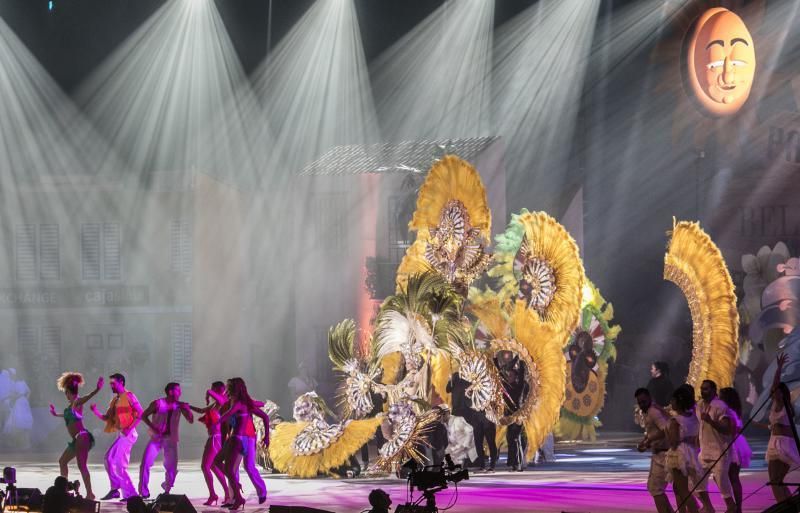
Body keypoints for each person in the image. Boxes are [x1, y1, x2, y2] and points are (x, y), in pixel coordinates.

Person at [49, 372, 104, 500]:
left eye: (66, 393)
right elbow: (68, 415)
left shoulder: (78, 401)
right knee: (62, 461)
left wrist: (97, 389)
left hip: (82, 437)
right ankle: (63, 490)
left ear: (69, 392)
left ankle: (90, 493)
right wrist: (55, 414)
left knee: (82, 465)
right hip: (76, 440)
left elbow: (88, 396)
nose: (66, 396)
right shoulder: (70, 406)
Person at [217, 377, 270, 510]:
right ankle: (234, 496)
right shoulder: (233, 402)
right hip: (238, 437)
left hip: (246, 437)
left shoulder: (241, 402)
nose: (226, 389)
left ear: (233, 388)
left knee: (248, 467)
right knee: (233, 468)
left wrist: (267, 436)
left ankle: (260, 491)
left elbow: (262, 410)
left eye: (228, 387)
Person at [90, 373, 143, 501]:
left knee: (109, 458)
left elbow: (140, 412)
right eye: (110, 383)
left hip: (128, 434)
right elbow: (106, 418)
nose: (111, 385)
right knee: (120, 466)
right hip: (123, 433)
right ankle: (131, 494)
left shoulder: (129, 396)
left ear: (121, 383)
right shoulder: (115, 400)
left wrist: (129, 428)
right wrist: (95, 411)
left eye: (113, 383)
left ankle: (115, 488)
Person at [138, 382, 194, 498]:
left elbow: (191, 420)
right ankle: (143, 492)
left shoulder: (179, 405)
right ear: (170, 392)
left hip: (170, 439)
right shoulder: (158, 403)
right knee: (145, 463)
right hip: (156, 438)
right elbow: (143, 416)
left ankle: (167, 490)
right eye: (178, 390)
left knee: (172, 467)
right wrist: (153, 427)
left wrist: (187, 410)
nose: (180, 392)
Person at [697, 379, 736, 513]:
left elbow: (726, 429)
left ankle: (731, 507)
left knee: (722, 482)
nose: (703, 391)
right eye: (702, 388)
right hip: (704, 451)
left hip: (720, 451)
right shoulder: (699, 405)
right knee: (696, 482)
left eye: (706, 389)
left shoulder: (720, 406)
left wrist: (710, 421)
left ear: (714, 391)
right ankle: (708, 507)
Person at [766, 353, 800, 504]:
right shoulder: (775, 404)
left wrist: (779, 369)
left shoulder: (783, 405)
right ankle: (788, 506)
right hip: (775, 442)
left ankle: (784, 508)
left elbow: (775, 385)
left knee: (775, 481)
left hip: (783, 445)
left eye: (777, 391)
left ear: (782, 393)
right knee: (777, 481)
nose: (774, 393)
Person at [635, 387, 674, 513]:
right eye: (639, 403)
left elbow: (665, 430)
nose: (642, 405)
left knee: (656, 488)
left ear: (650, 399)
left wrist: (649, 440)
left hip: (664, 454)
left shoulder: (653, 412)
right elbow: (653, 431)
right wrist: (645, 442)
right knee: (654, 488)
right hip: (658, 454)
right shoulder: (648, 411)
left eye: (644, 402)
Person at [190, 381, 229, 505]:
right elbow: (201, 410)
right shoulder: (215, 404)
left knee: (205, 466)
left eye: (213, 390)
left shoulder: (223, 401)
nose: (211, 392)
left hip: (216, 438)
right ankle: (226, 493)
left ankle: (214, 494)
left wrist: (208, 393)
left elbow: (214, 395)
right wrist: (187, 406)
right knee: (212, 466)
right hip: (213, 437)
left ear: (219, 389)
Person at [665, 385, 701, 513]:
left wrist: (666, 431)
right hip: (691, 452)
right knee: (679, 487)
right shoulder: (693, 417)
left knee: (683, 490)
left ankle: (693, 510)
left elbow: (673, 442)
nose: (671, 402)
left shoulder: (675, 420)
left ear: (678, 402)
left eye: (672, 400)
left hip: (679, 453)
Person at [719, 387, 751, 513]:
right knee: (733, 477)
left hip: (733, 443)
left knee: (731, 477)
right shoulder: (734, 410)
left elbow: (733, 429)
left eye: (720, 396)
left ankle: (736, 507)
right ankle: (737, 507)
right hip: (737, 442)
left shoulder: (729, 411)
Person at [504, 368, 526, 472]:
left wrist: (521, 361)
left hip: (518, 416)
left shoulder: (519, 386)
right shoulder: (506, 387)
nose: (509, 377)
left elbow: (521, 374)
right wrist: (494, 359)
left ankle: (518, 464)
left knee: (515, 440)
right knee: (510, 440)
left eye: (511, 376)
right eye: (508, 376)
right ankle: (514, 464)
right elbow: (499, 373)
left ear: (516, 377)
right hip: (508, 416)